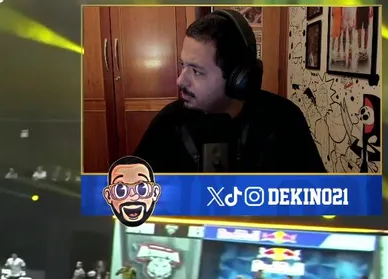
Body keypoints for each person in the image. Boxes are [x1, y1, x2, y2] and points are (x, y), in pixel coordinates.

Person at [131, 10, 324, 173]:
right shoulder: (169, 122)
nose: (180, 80)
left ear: (238, 78)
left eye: (197, 71)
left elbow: (319, 194)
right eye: (183, 65)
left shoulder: (283, 118)